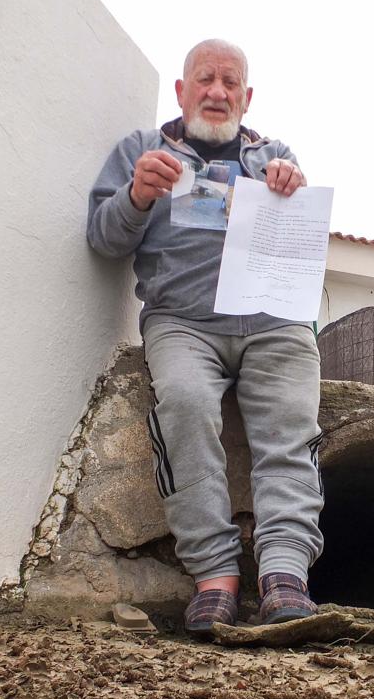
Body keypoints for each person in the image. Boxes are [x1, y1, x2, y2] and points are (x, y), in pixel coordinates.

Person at [87, 39, 324, 636]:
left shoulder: (276, 155)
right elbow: (103, 240)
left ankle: (284, 575)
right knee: (185, 406)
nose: (217, 92)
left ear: (246, 97)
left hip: (274, 324)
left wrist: (291, 184)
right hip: (182, 323)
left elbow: (300, 242)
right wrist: (138, 195)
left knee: (291, 425)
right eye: (205, 79)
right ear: (182, 90)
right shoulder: (139, 151)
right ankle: (215, 575)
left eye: (229, 82)